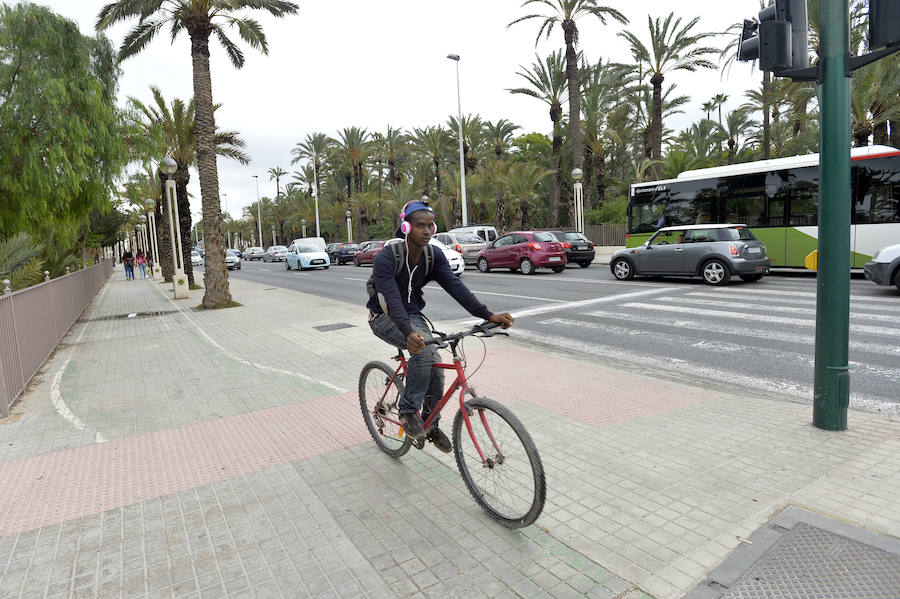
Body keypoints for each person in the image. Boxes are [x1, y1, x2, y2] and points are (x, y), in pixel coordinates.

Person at [367, 200, 514, 452]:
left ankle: (430, 424)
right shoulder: (387, 258)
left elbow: (457, 288)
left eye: (430, 226)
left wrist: (487, 315)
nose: (426, 231)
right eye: (420, 226)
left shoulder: (432, 256)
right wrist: (409, 332)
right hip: (384, 316)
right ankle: (408, 412)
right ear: (406, 227)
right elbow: (391, 301)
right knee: (423, 352)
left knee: (435, 366)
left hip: (412, 316)